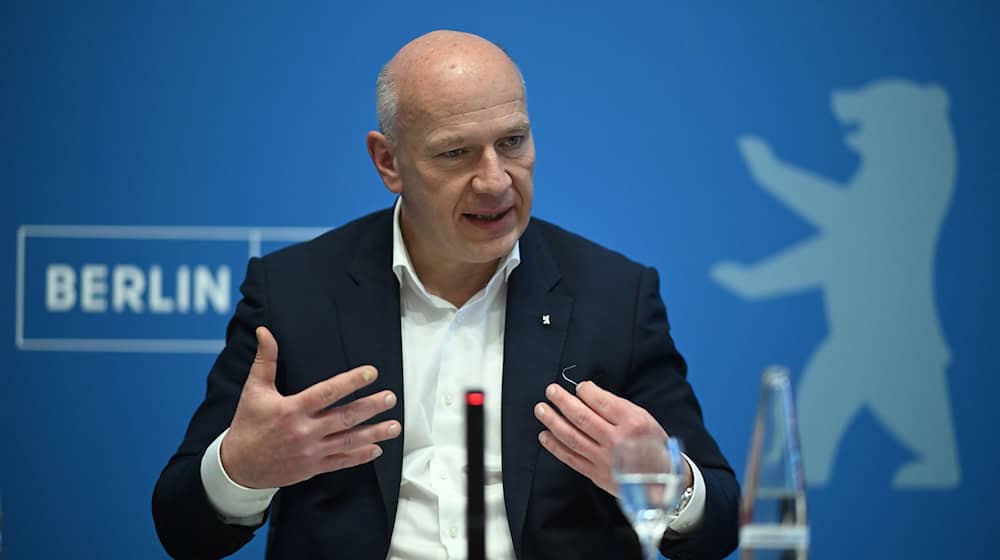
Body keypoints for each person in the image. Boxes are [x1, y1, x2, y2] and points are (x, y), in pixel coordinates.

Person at [152, 30, 739, 559]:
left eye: (512, 142)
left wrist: (668, 485)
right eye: (456, 153)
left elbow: (717, 529)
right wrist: (241, 470)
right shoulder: (294, 292)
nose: (495, 180)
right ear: (389, 161)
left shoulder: (615, 296)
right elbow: (183, 528)